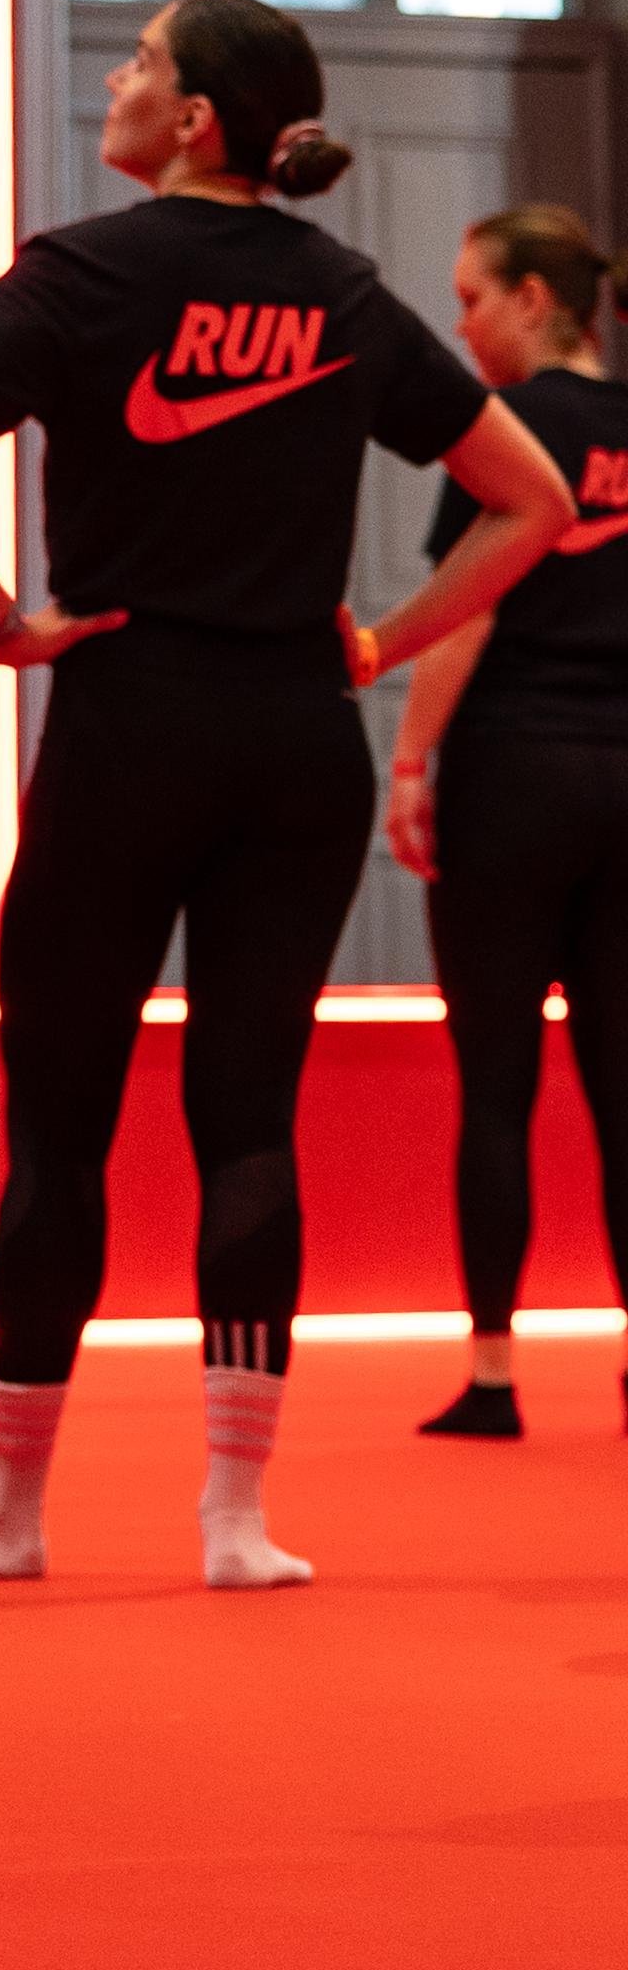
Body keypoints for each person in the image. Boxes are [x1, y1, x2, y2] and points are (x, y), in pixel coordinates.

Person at [0, 0, 569, 1591]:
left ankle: (9, 1508)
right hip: (292, 743)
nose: (117, 80)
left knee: (60, 1126)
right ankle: (236, 1519)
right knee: (249, 1118)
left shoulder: (79, 273)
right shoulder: (343, 292)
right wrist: (382, 640)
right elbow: (528, 500)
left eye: (137, 62)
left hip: (125, 723)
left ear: (194, 122)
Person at [384, 206, 628, 1440]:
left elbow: (468, 610)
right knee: (627, 1090)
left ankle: (490, 1375)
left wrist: (412, 761)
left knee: (498, 1087)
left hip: (514, 778)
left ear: (535, 299)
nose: (463, 324)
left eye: (474, 298)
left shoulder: (512, 431)